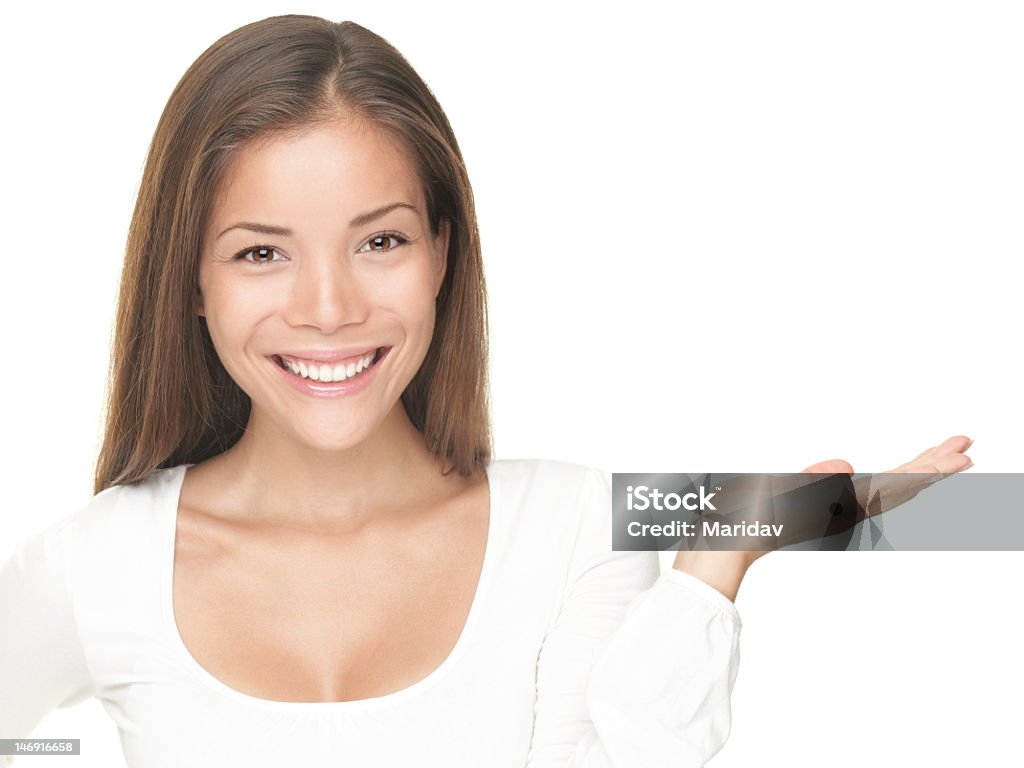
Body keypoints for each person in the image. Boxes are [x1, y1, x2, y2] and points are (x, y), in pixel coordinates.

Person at [0, 15, 973, 768]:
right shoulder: (98, 566)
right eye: (262, 253)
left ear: (440, 258)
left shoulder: (572, 524)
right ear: (192, 285)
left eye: (380, 241)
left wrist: (712, 567)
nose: (329, 308)